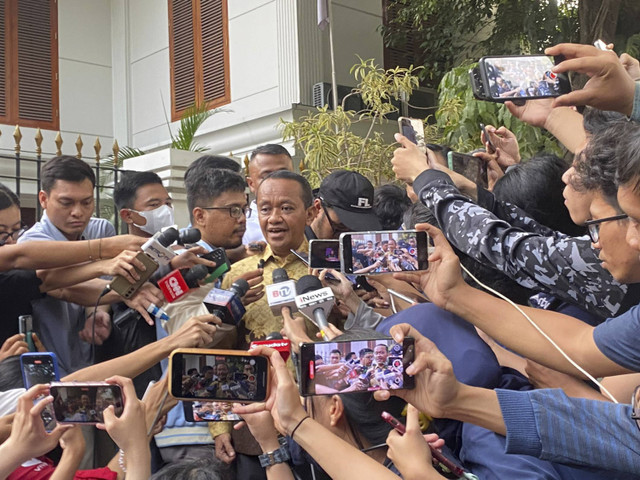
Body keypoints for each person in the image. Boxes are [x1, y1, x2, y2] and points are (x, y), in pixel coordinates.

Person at [18, 156, 117, 375]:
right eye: (67, 203)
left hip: (94, 365)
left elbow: (104, 285)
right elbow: (68, 287)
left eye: (86, 202)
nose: (78, 212)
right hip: (49, 370)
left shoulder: (101, 231)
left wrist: (97, 312)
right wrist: (127, 293)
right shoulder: (31, 243)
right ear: (43, 199)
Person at [307, 170, 381, 240]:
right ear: (317, 208)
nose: (349, 237)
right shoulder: (297, 245)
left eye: (358, 229)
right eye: (341, 227)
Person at [243, 145, 294, 245]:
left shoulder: (310, 217)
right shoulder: (242, 227)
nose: (276, 181)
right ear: (251, 184)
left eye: (283, 174)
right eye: (267, 176)